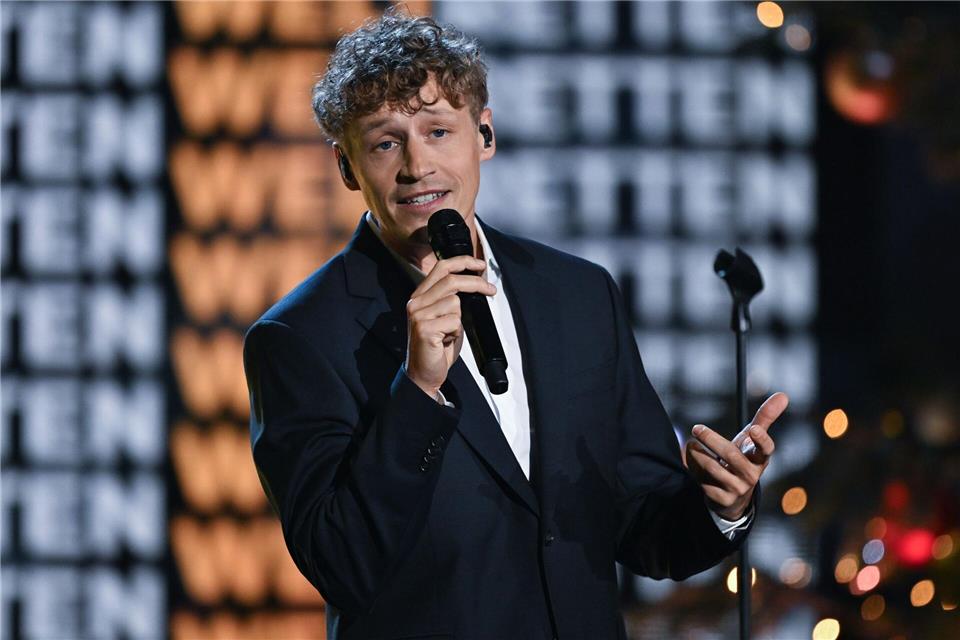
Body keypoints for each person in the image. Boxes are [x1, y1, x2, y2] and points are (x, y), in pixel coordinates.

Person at [243, 9, 788, 640]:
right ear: (346, 167)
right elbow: (343, 563)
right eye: (386, 143)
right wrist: (417, 389)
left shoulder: (578, 294)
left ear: (485, 134)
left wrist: (721, 506)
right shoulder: (301, 338)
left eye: (439, 132)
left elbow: (644, 526)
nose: (418, 166)